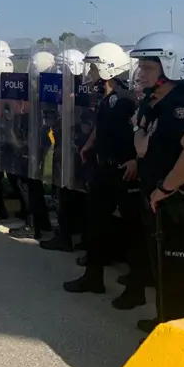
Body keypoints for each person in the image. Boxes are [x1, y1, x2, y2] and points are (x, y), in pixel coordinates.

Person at [129, 32, 184, 334]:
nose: (141, 73)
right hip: (164, 211)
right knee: (165, 278)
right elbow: (142, 147)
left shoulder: (181, 107)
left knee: (181, 284)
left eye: (148, 67)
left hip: (183, 211)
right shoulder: (155, 105)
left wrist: (165, 188)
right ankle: (163, 326)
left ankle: (178, 347)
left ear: (171, 69)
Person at [62, 43, 148, 309]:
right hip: (104, 169)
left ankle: (136, 290)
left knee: (134, 233)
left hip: (125, 172)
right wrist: (89, 144)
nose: (91, 73)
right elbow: (102, 126)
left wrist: (135, 159)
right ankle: (93, 278)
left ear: (108, 67)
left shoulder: (127, 99)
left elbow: (144, 130)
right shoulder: (107, 98)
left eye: (95, 67)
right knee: (95, 224)